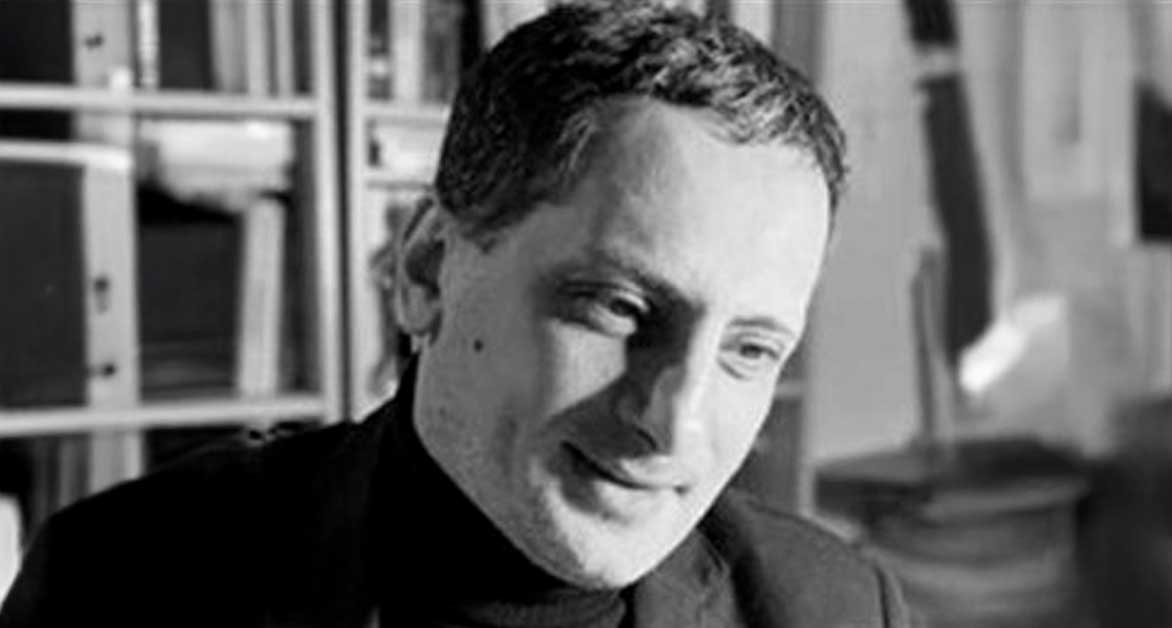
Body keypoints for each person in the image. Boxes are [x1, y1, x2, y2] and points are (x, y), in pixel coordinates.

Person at [0, 2, 910, 626]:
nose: (674, 424)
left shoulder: (835, 609)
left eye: (750, 350)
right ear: (428, 269)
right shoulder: (121, 582)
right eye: (618, 307)